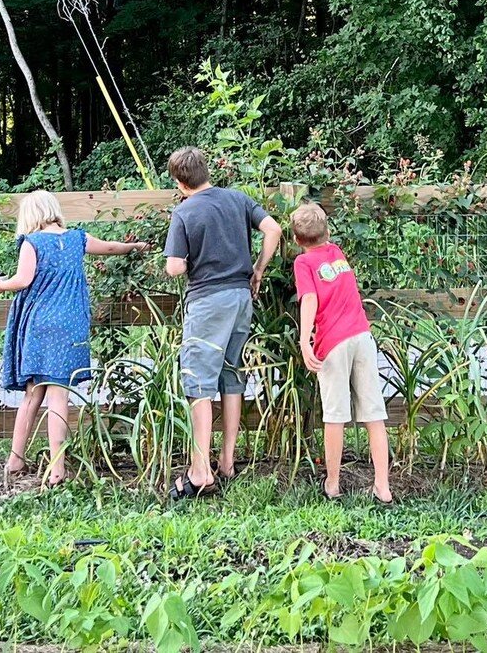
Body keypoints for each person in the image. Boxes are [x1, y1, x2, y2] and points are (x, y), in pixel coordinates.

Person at [0, 190, 148, 486]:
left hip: (41, 324)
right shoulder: (78, 239)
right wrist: (133, 246)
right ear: (53, 210)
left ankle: (15, 460)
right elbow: (110, 248)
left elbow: (23, 280)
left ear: (30, 215)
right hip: (72, 323)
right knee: (59, 395)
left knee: (33, 394)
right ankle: (57, 469)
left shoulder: (32, 243)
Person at [164, 147, 283, 499]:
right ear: (206, 171)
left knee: (198, 382)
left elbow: (174, 267)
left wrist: (184, 261)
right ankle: (227, 462)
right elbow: (274, 229)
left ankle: (201, 471)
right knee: (232, 375)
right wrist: (258, 269)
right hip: (241, 297)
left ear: (180, 182)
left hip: (208, 301)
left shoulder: (184, 212)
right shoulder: (237, 199)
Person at [291, 202, 392, 504]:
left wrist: (305, 340)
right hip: (362, 336)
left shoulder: (303, 263)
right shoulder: (337, 253)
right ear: (327, 232)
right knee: (374, 415)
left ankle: (333, 484)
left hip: (333, 342)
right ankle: (383, 487)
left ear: (296, 240)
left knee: (335, 416)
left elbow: (309, 298)